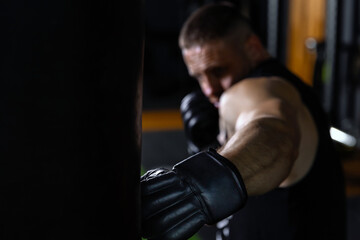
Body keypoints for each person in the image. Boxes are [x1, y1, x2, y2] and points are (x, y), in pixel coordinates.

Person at [140, 2, 346, 240]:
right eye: (198, 77)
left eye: (218, 71)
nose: (208, 90)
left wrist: (204, 183)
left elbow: (275, 133)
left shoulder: (262, 89)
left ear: (253, 47)